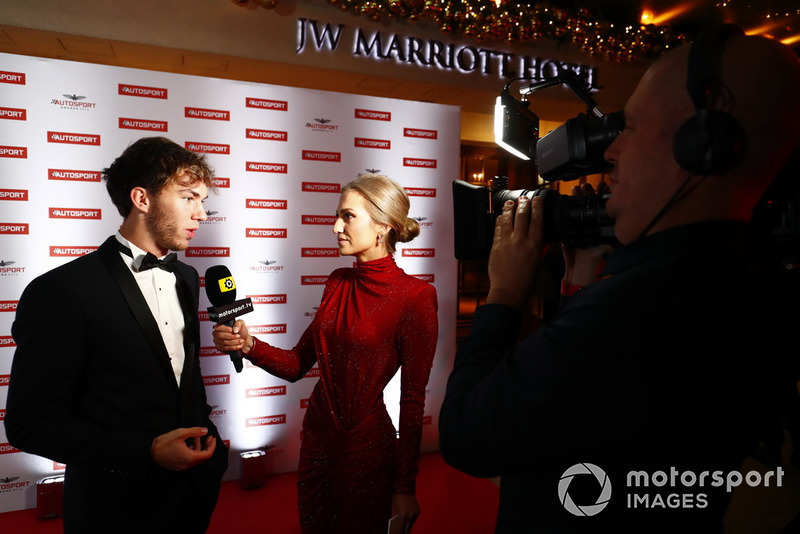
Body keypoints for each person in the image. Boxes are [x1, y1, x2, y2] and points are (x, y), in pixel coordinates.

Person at [439, 26, 800, 533]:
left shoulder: (644, 308)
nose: (611, 153)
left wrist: (503, 296)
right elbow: (595, 416)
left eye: (629, 128)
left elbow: (465, 436)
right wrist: (578, 287)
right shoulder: (737, 278)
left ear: (702, 142)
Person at [5, 136, 229, 533]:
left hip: (194, 494)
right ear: (142, 198)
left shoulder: (187, 277)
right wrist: (145, 451)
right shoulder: (61, 290)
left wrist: (207, 434)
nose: (203, 213)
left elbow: (179, 378)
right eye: (189, 198)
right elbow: (29, 423)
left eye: (203, 200)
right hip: (113, 505)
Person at [213, 173, 438, 534]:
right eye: (337, 215)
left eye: (348, 216)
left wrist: (405, 486)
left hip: (365, 451)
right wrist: (249, 345)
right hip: (316, 441)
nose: (335, 226)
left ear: (382, 225)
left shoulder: (416, 298)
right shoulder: (337, 281)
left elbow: (412, 401)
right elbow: (297, 364)